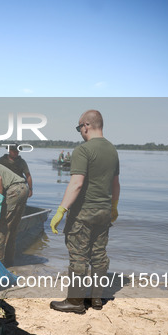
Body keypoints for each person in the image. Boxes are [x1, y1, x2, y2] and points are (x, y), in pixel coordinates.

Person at [49, 110, 120, 314]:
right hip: (104, 211)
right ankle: (96, 298)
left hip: (84, 212)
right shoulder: (112, 150)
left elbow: (76, 184)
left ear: (86, 125)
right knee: (99, 255)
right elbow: (116, 184)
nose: (80, 131)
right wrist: (114, 207)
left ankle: (75, 301)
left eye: (79, 127)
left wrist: (61, 210)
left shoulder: (83, 150)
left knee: (79, 257)